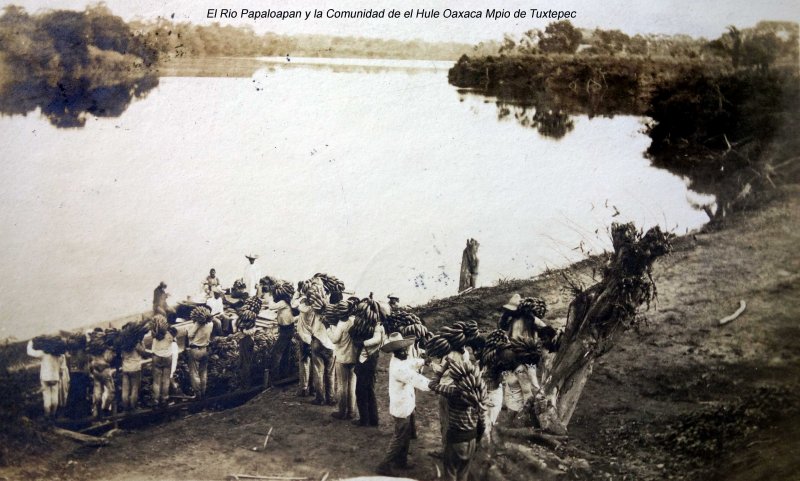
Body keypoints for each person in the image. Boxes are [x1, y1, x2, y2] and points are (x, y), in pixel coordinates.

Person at [376, 333, 431, 476]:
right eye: (402, 350)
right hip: (401, 407)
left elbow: (411, 362)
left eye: (406, 349)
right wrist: (433, 384)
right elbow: (416, 379)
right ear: (396, 351)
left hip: (406, 404)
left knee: (405, 435)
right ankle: (384, 465)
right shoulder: (398, 368)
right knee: (399, 436)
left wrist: (423, 362)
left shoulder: (399, 359)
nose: (406, 352)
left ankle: (401, 461)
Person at [429, 359, 487, 481]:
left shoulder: (454, 392)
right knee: (463, 472)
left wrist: (443, 368)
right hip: (471, 438)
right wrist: (478, 440)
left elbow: (432, 385)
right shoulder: (479, 394)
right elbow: (482, 422)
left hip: (455, 439)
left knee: (451, 472)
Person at [27, 336, 69, 418]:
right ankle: (53, 415)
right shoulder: (60, 356)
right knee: (54, 397)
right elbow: (61, 369)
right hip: (55, 378)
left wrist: (30, 343)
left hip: (45, 377)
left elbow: (30, 352)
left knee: (47, 397)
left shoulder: (43, 354)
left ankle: (47, 416)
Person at [353, 320, 385, 427]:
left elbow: (377, 339)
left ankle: (365, 420)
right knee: (369, 390)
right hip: (371, 360)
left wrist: (362, 343)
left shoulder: (376, 327)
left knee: (362, 390)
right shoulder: (375, 326)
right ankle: (373, 419)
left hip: (366, 361)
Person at [327, 312, 357, 420]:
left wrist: (328, 329)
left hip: (342, 358)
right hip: (353, 357)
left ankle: (342, 411)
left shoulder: (341, 324)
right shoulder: (354, 321)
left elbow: (335, 340)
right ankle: (351, 411)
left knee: (342, 386)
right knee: (352, 386)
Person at [269, 282, 296, 385]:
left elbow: (271, 307)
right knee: (285, 352)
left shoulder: (283, 302)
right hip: (287, 329)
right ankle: (284, 373)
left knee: (277, 352)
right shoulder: (285, 302)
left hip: (286, 330)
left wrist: (270, 296)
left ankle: (275, 377)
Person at [119, 322, 150, 411]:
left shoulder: (122, 345)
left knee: (125, 390)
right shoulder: (135, 344)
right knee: (135, 389)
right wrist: (141, 342)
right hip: (135, 368)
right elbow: (143, 351)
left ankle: (126, 408)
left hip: (125, 368)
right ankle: (133, 408)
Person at [148, 315, 178, 407]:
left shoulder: (154, 335)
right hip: (167, 357)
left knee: (156, 381)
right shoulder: (170, 334)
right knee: (166, 380)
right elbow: (174, 340)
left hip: (156, 357)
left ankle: (156, 400)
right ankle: (165, 399)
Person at [87, 331, 116, 417]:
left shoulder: (92, 350)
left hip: (96, 372)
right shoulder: (107, 349)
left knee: (98, 394)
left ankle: (96, 414)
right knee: (111, 392)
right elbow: (108, 359)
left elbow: (90, 362)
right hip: (105, 372)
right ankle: (105, 410)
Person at [187, 307, 214, 398]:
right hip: (205, 349)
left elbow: (190, 334)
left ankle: (197, 393)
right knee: (203, 372)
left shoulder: (198, 323)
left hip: (195, 349)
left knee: (194, 372)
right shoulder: (211, 323)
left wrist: (196, 324)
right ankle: (203, 392)